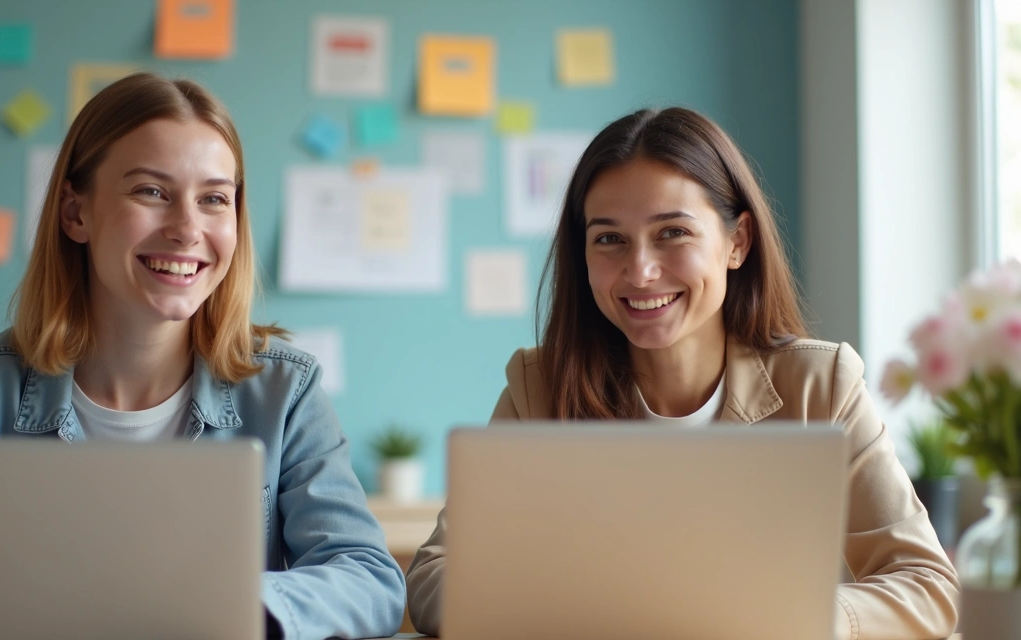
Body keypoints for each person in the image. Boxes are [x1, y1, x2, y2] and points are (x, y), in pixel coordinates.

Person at [0, 72, 405, 640]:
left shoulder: (285, 392)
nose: (187, 228)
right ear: (76, 212)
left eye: (214, 199)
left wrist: (234, 606)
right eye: (152, 191)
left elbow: (369, 579)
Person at [405, 107, 959, 640]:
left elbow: (928, 586)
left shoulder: (821, 385)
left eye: (672, 232)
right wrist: (583, 609)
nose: (640, 271)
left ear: (737, 242)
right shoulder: (539, 388)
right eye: (609, 239)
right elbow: (432, 578)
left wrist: (782, 616)